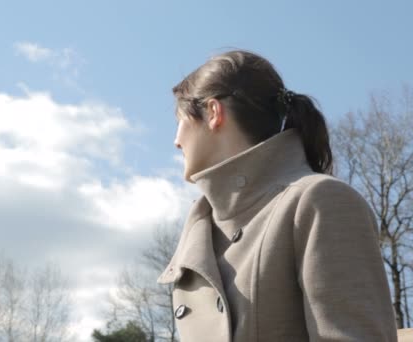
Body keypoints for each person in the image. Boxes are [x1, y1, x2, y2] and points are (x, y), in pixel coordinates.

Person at [157, 50, 397, 341]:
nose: (175, 140)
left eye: (179, 120)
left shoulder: (319, 202)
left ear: (212, 113)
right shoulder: (198, 235)